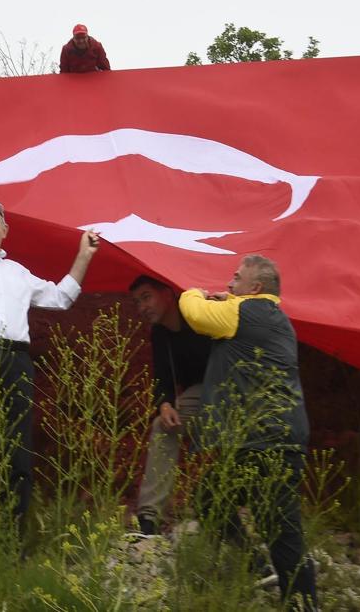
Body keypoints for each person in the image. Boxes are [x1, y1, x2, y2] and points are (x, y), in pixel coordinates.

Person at [0, 103, 100, 544]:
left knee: (17, 456)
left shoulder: (19, 273)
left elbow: (62, 297)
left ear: (5, 230)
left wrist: (83, 255)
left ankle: (9, 546)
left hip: (15, 363)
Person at [178, 254, 316, 608]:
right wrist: (232, 302)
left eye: (236, 278)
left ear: (254, 287)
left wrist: (192, 290)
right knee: (211, 498)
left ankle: (303, 603)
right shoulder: (272, 318)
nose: (229, 283)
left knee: (280, 528)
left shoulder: (245, 313)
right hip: (270, 438)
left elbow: (193, 313)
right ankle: (260, 570)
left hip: (266, 441)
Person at [128, 276, 212, 536]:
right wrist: (164, 405)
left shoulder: (197, 312)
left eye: (146, 297)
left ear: (166, 293)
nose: (142, 307)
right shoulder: (160, 333)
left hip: (230, 387)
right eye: (137, 302)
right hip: (199, 395)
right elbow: (162, 376)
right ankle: (149, 520)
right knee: (162, 426)